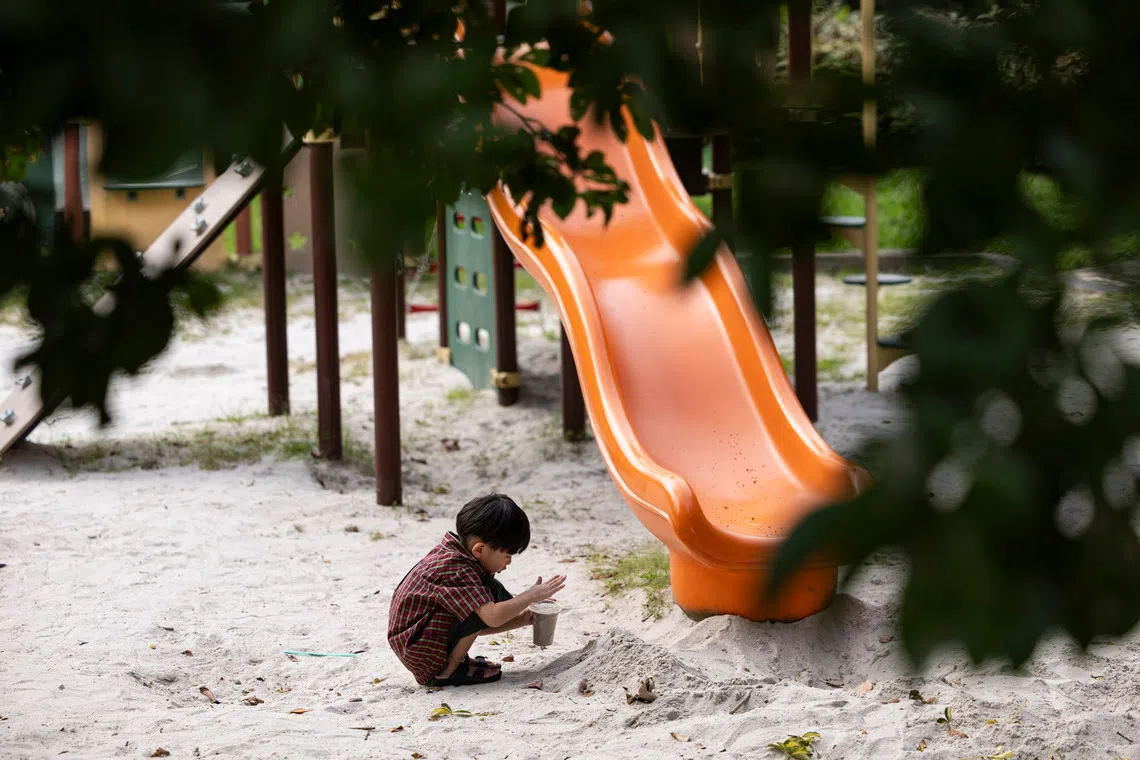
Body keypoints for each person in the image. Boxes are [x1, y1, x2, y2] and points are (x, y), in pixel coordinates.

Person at [387, 493, 567, 686]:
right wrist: (531, 595)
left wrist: (523, 619)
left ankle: (455, 661)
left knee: (489, 593)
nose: (509, 561)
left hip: (418, 642)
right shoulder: (457, 571)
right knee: (486, 596)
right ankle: (447, 671)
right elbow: (492, 617)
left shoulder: (457, 554)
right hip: (422, 653)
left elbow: (481, 623)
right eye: (507, 554)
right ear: (479, 549)